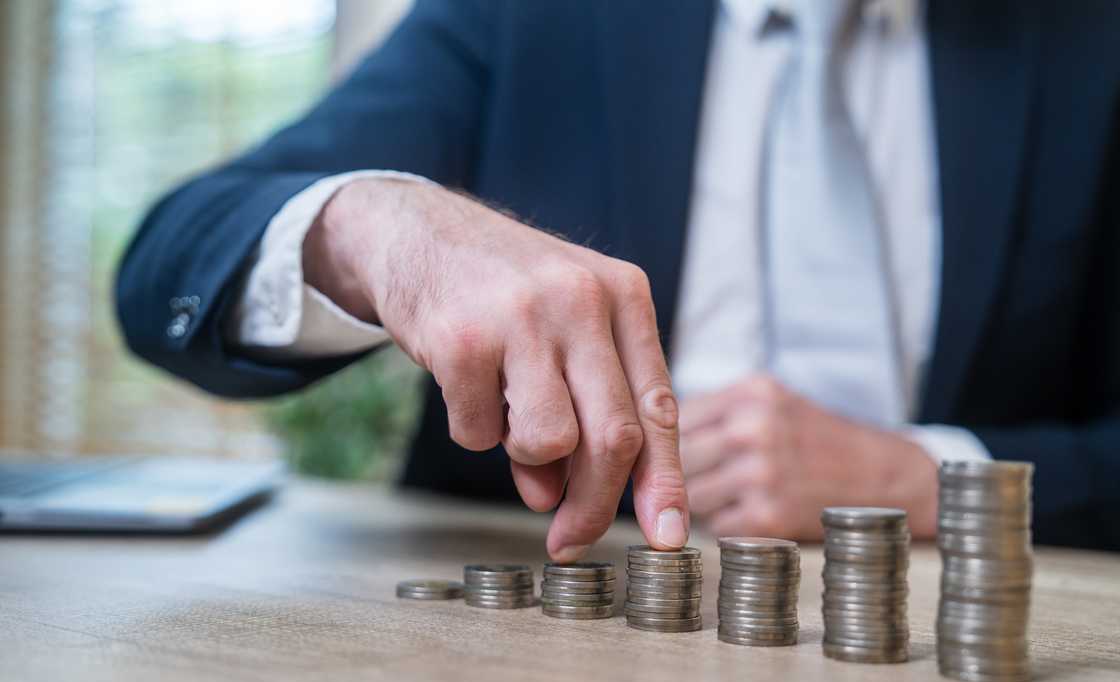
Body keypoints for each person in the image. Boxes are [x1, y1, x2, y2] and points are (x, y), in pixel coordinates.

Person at [116, 0, 1120, 556]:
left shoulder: (1088, 44)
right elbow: (170, 262)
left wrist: (932, 476)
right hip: (532, 663)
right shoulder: (528, 17)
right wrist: (382, 229)